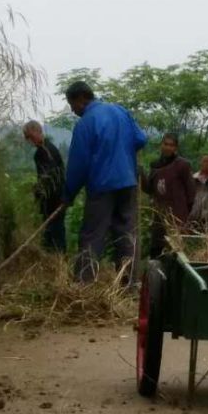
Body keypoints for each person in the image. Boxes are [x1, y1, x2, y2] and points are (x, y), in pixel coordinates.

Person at [61, 81, 147, 282]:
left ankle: (84, 286)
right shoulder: (119, 111)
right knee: (126, 234)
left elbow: (78, 165)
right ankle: (129, 286)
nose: (73, 111)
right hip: (128, 182)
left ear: (81, 99)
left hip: (102, 187)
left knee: (93, 235)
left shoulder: (86, 123)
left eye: (72, 105)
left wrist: (68, 195)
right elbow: (141, 139)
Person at [142, 132, 197, 256]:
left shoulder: (182, 165)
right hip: (160, 214)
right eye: (165, 144)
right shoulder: (155, 166)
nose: (168, 147)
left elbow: (191, 191)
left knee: (175, 251)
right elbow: (150, 189)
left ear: (175, 148)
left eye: (171, 145)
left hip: (178, 215)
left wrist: (186, 215)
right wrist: (141, 174)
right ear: (161, 145)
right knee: (157, 248)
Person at [23, 121, 66, 253]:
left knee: (54, 233)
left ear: (37, 131)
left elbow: (48, 178)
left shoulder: (45, 151)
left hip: (53, 200)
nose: (29, 140)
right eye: (27, 138)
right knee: (53, 232)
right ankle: (56, 262)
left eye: (30, 136)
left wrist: (37, 192)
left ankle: (58, 262)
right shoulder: (48, 149)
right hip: (57, 199)